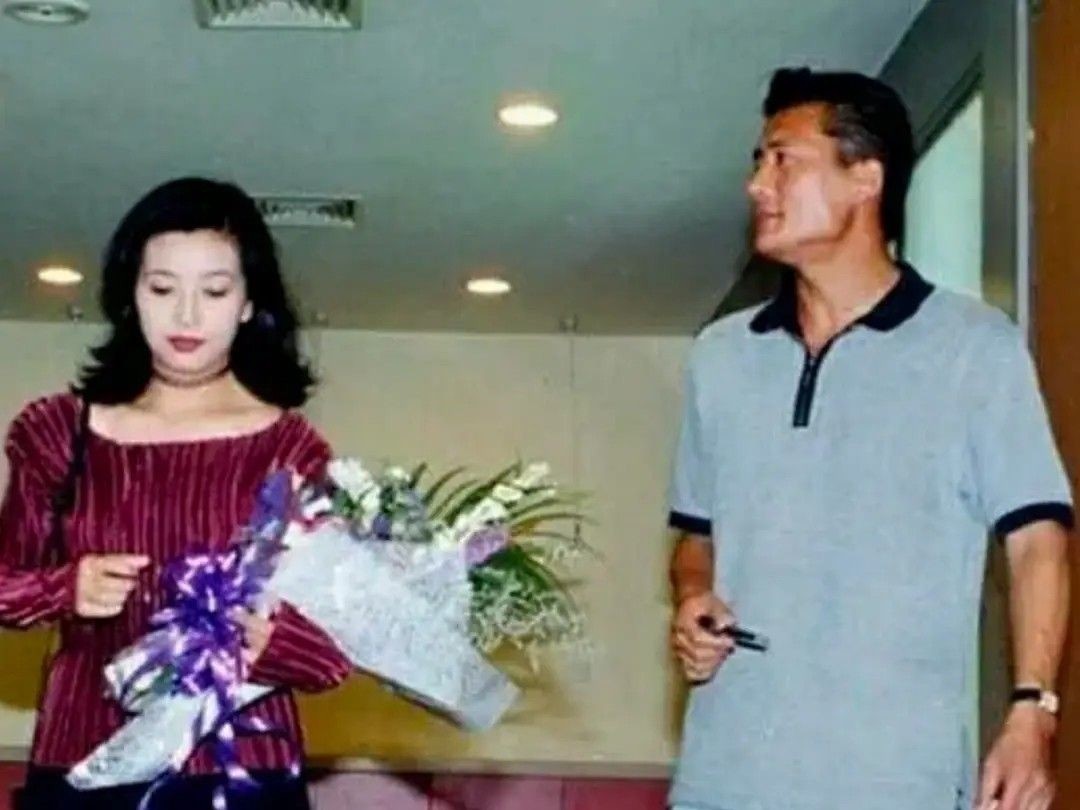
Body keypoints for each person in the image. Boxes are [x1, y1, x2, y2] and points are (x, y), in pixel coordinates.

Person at [667, 68, 1072, 810]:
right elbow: (697, 537)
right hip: (722, 779)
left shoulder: (975, 347)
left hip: (894, 781)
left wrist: (1031, 712)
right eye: (758, 162)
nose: (758, 185)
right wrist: (694, 595)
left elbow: (1036, 544)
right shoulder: (719, 356)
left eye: (783, 160)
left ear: (866, 178)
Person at [0, 177, 353, 809]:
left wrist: (275, 644)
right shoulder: (59, 432)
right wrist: (67, 587)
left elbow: (337, 648)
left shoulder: (291, 449)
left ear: (248, 303)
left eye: (214, 291)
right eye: (162, 289)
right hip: (87, 760)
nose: (186, 316)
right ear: (129, 296)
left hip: (241, 768)